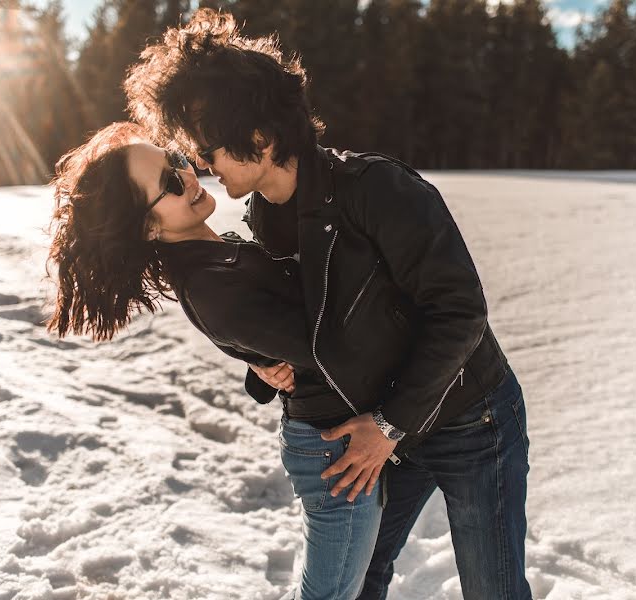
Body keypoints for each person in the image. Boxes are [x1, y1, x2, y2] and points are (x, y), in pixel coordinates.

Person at [124, 9, 533, 600]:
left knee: (493, 590)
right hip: (383, 429)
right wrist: (263, 369)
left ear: (260, 140)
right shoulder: (265, 218)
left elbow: (462, 312)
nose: (202, 166)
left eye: (208, 150)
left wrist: (391, 424)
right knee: (360, 574)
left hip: (470, 417)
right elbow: (315, 323)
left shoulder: (377, 189)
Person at [46, 121, 385, 600]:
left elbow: (279, 332)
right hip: (333, 446)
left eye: (175, 161)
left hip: (336, 431)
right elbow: (327, 341)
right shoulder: (206, 284)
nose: (186, 176)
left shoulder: (215, 253)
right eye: (167, 183)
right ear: (147, 226)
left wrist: (262, 368)